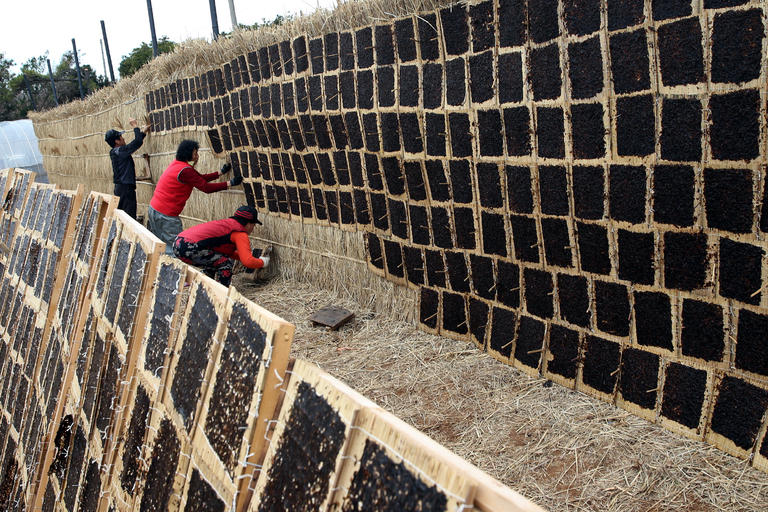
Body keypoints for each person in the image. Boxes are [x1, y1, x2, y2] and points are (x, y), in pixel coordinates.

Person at [148, 139, 242, 254]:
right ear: (188, 154)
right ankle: (173, 270)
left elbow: (199, 178)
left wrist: (220, 173)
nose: (197, 156)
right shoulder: (185, 170)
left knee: (162, 245)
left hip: (154, 209)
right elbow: (205, 187)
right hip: (166, 215)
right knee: (176, 249)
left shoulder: (178, 165)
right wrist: (230, 183)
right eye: (195, 153)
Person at [173, 205, 269, 287]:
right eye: (253, 225)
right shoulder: (240, 233)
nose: (253, 228)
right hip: (189, 246)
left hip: (179, 243)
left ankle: (203, 286)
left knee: (215, 261)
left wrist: (250, 257)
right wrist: (263, 262)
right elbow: (247, 261)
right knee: (225, 263)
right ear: (248, 224)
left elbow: (229, 253)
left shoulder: (227, 225)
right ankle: (222, 293)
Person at [105, 118, 149, 219]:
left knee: (124, 218)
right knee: (129, 218)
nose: (124, 139)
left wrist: (143, 132)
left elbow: (134, 144)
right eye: (121, 137)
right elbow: (137, 143)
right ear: (117, 141)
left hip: (121, 189)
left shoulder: (117, 152)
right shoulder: (119, 152)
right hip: (125, 190)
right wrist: (135, 126)